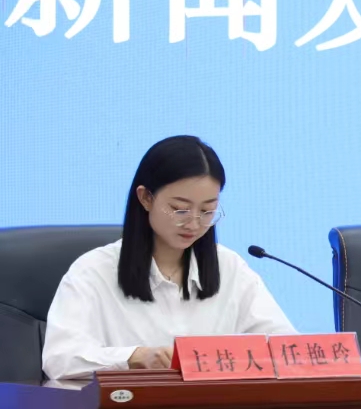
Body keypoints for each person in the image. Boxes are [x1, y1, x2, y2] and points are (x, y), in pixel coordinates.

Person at [42, 136, 295, 381]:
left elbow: (286, 350)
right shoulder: (94, 271)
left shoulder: (230, 268)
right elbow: (60, 358)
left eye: (207, 210)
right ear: (145, 198)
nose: (194, 223)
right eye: (180, 209)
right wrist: (134, 357)